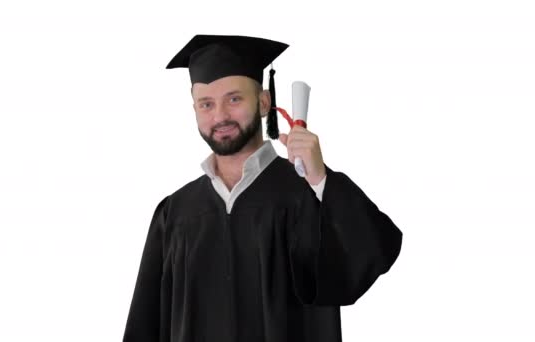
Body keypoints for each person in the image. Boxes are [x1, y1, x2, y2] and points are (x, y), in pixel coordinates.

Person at [122, 34, 403, 342]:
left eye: (234, 99)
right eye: (206, 104)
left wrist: (321, 178)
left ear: (264, 102)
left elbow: (375, 250)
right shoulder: (175, 213)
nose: (219, 116)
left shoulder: (305, 195)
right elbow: (146, 325)